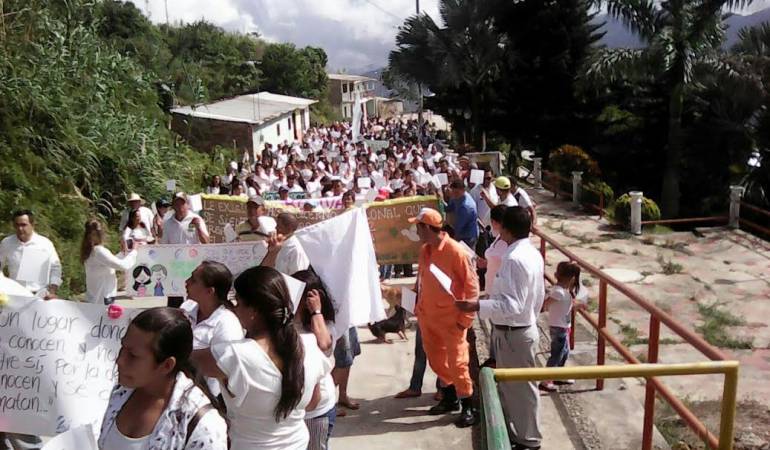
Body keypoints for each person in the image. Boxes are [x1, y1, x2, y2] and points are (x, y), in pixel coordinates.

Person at [192, 266, 329, 450]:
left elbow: (186, 358)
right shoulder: (310, 346)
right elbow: (312, 404)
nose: (235, 310)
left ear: (253, 310)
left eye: (238, 303)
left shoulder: (234, 356)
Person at [455, 206, 544, 450]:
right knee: (515, 389)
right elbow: (534, 298)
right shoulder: (530, 253)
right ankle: (522, 435)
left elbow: (512, 305)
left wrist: (476, 305)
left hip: (515, 332)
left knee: (521, 391)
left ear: (506, 228)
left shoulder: (515, 259)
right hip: (519, 329)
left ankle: (529, 440)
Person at [98, 307, 228, 450]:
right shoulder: (120, 394)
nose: (120, 361)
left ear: (166, 365)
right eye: (122, 348)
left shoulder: (203, 426)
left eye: (133, 356)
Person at [408, 207, 479, 428]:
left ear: (427, 227)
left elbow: (472, 288)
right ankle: (450, 398)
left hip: (451, 321)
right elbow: (421, 280)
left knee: (458, 363)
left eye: (418, 226)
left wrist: (465, 320)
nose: (415, 230)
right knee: (436, 360)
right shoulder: (425, 250)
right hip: (428, 317)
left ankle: (468, 405)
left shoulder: (456, 252)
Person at [183, 261, 245, 397]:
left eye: (193, 280)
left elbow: (225, 367)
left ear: (209, 291)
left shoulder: (227, 323)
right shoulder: (186, 308)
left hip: (207, 398)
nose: (186, 282)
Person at [292, 270, 337, 450]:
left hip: (317, 409)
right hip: (292, 407)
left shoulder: (325, 324)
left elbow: (324, 345)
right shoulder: (286, 322)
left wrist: (315, 311)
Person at [539, 261, 583, 393]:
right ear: (573, 279)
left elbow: (564, 306)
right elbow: (546, 305)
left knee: (564, 352)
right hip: (558, 328)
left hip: (563, 326)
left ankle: (558, 374)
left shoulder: (562, 291)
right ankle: (546, 380)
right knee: (557, 355)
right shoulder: (559, 292)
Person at [0, 210, 62, 299]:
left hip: (39, 295)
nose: (20, 228)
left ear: (32, 225)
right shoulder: (7, 243)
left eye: (23, 225)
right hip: (14, 295)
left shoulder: (45, 244)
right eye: (17, 225)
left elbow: (55, 267)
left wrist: (52, 291)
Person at [81, 219, 137, 305]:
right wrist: (134, 252)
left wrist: (123, 253)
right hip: (103, 297)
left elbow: (109, 262)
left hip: (95, 296)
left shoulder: (90, 250)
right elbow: (122, 266)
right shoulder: (99, 251)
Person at [444, 179, 479, 249]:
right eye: (453, 192)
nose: (454, 195)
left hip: (468, 237)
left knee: (468, 257)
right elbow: (449, 208)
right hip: (461, 232)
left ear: (463, 190)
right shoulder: (455, 196)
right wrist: (441, 199)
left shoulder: (466, 207)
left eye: (456, 193)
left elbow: (459, 227)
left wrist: (452, 241)